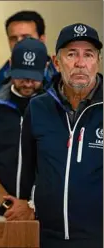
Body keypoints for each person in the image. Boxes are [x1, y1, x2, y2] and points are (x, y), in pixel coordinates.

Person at [22, 23, 103, 248]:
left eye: (88, 54)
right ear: (57, 62)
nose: (80, 63)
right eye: (71, 54)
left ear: (98, 61)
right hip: (46, 239)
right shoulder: (37, 108)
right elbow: (27, 171)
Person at [0, 37, 47, 222]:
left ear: (45, 68)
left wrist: (31, 207)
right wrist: (9, 206)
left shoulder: (54, 109)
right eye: (22, 76)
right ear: (11, 65)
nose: (28, 83)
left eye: (34, 78)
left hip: (41, 213)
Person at [0, 10, 57, 100]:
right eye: (13, 38)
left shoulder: (64, 78)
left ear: (42, 39)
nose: (19, 43)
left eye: (26, 37)